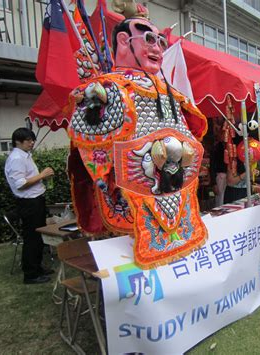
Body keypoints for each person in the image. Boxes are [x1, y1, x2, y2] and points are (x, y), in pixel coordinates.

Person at [66, 9, 209, 268]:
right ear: (123, 41)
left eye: (161, 42)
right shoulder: (107, 90)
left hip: (175, 196)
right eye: (149, 40)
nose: (157, 48)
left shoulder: (174, 95)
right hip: (129, 211)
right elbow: (95, 161)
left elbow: (193, 143)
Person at [5, 127, 54, 284]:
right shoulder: (16, 159)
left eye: (33, 140)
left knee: (38, 236)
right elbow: (20, 184)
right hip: (29, 203)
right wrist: (42, 175)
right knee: (32, 238)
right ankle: (31, 274)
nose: (32, 143)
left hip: (36, 200)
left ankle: (37, 267)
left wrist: (41, 178)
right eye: (28, 140)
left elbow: (29, 179)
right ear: (17, 142)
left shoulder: (25, 156)